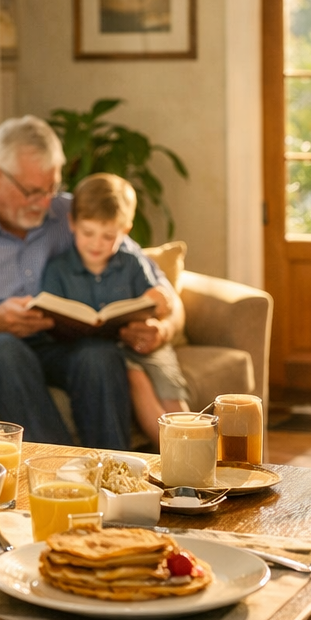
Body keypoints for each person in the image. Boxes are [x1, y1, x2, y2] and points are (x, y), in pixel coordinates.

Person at [0, 116, 182, 450]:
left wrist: (162, 327)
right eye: (33, 191)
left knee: (101, 355)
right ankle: (57, 472)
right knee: (7, 351)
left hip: (57, 343)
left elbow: (163, 290)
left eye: (51, 188)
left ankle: (111, 474)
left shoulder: (70, 214)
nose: (45, 202)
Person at [40, 173, 188, 446]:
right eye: (88, 233)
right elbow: (50, 319)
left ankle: (199, 456)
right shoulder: (58, 269)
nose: (97, 243)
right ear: (72, 223)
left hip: (140, 342)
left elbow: (158, 298)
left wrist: (159, 301)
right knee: (137, 379)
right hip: (101, 352)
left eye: (109, 236)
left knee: (170, 392)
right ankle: (177, 455)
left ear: (126, 231)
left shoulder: (132, 262)